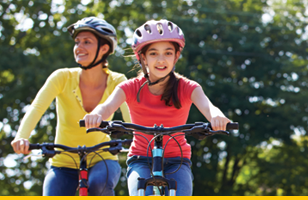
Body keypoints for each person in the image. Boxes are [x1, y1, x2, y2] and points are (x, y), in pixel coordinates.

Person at [82, 19, 232, 196]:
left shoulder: (187, 87)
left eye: (168, 53)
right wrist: (96, 115)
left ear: (176, 56)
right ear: (143, 57)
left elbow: (209, 107)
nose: (161, 60)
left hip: (178, 160)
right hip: (141, 159)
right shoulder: (130, 87)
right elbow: (106, 107)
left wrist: (217, 117)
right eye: (153, 53)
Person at [10, 17, 131, 196]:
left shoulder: (117, 81)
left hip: (103, 158)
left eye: (87, 42)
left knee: (98, 184)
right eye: (77, 42)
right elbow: (36, 108)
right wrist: (22, 137)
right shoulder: (62, 77)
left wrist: (141, 142)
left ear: (104, 48)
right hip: (63, 161)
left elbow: (132, 120)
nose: (79, 47)